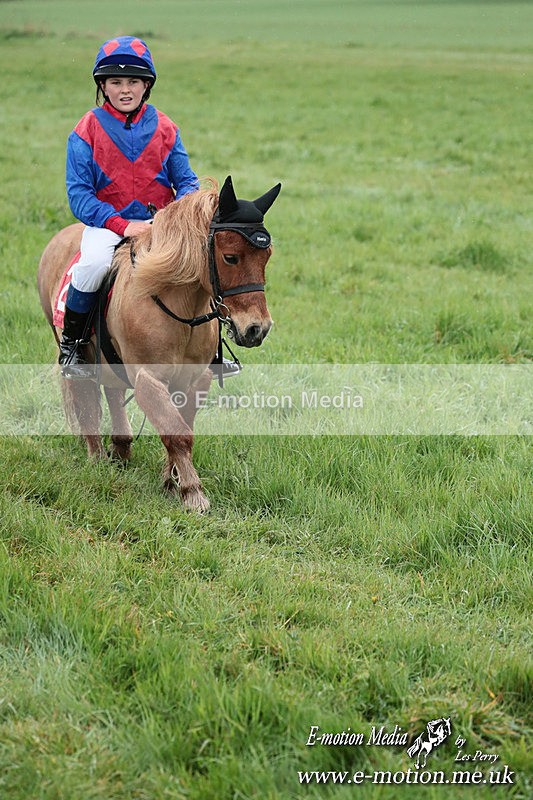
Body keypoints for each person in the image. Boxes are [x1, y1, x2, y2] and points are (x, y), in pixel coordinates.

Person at [60, 36, 201, 378]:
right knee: (92, 264)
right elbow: (79, 196)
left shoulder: (166, 128)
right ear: (103, 86)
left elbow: (187, 182)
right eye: (116, 82)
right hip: (108, 226)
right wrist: (123, 226)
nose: (125, 90)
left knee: (201, 264)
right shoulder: (85, 131)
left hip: (161, 226)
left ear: (146, 85)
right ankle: (74, 345)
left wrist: (175, 217)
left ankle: (210, 351)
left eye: (133, 82)